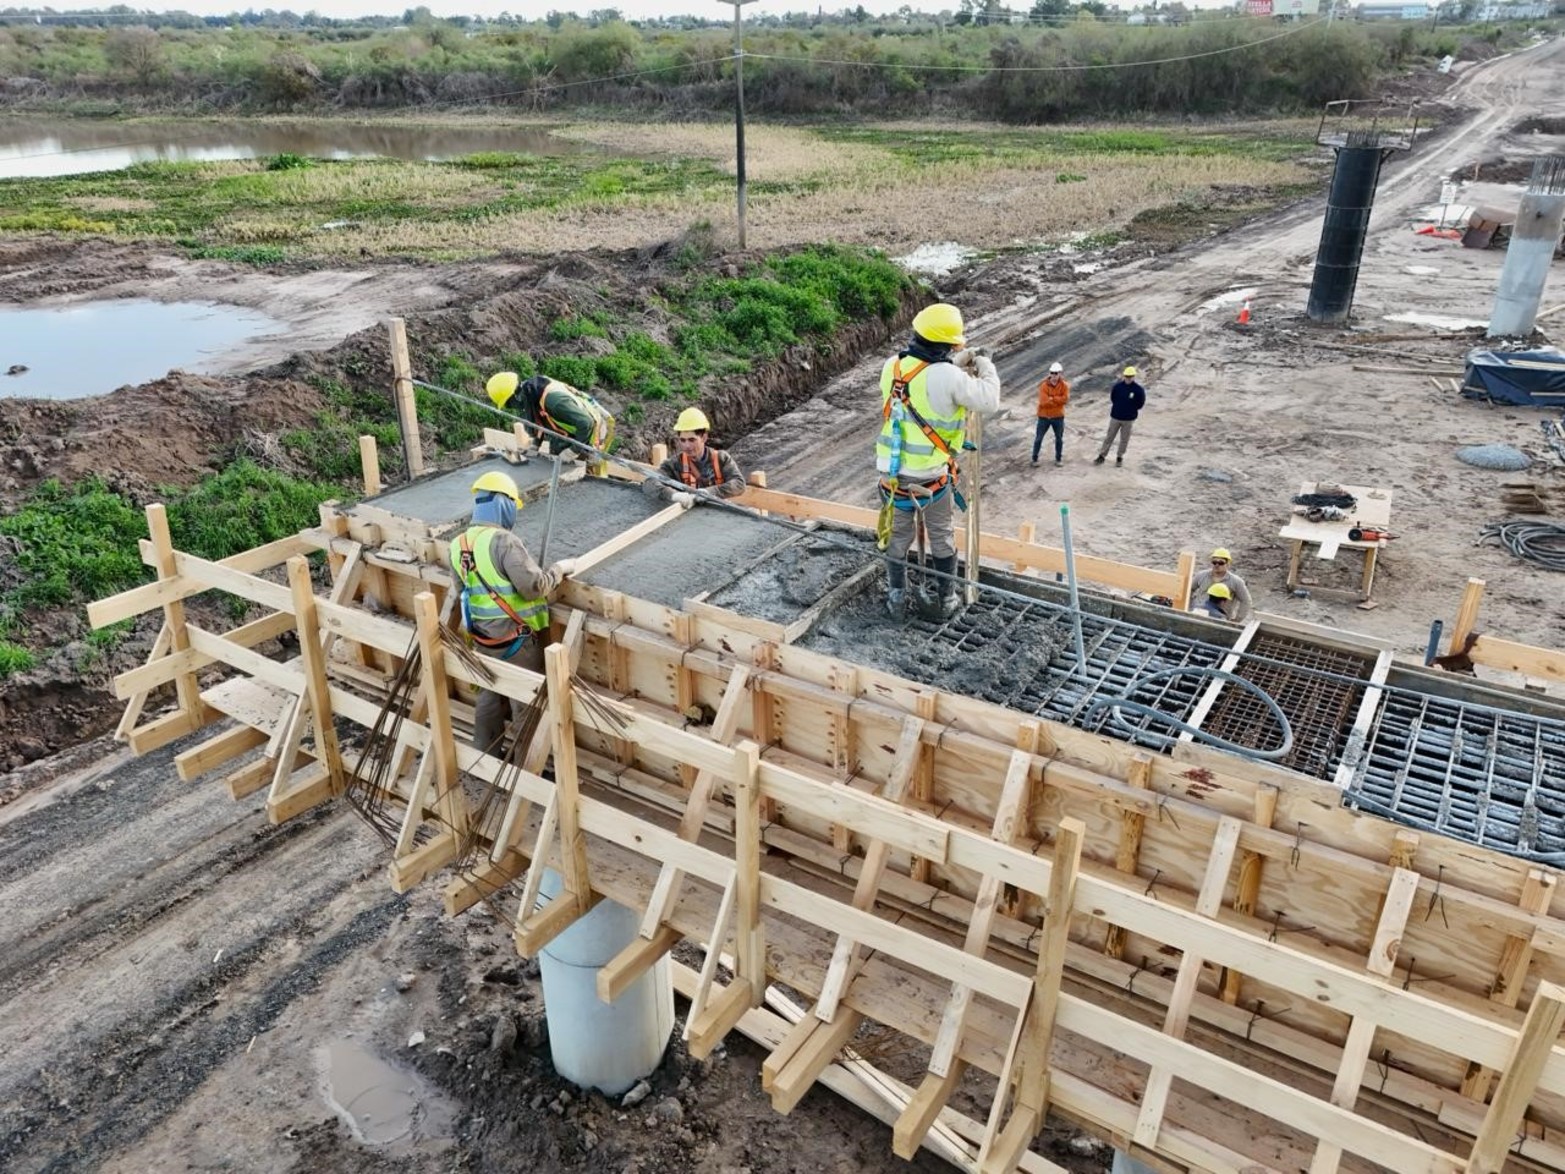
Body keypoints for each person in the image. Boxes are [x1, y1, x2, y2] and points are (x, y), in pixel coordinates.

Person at [876, 302, 1001, 619]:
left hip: (892, 478)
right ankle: (946, 599)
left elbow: (922, 377)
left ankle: (896, 598)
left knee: (897, 539)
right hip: (929, 478)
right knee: (941, 537)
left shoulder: (892, 366)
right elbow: (988, 400)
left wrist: (955, 361)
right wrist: (984, 363)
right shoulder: (949, 376)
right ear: (949, 343)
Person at [449, 470, 578, 756]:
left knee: (489, 695)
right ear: (503, 505)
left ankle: (485, 754)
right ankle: (525, 766)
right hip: (516, 640)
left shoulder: (458, 544)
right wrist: (559, 569)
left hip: (483, 638)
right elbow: (534, 587)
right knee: (526, 702)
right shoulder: (503, 541)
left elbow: (462, 591)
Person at [487, 372, 615, 464]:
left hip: (594, 431)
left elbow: (586, 423)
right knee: (556, 451)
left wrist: (573, 451)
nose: (511, 408)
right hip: (573, 425)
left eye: (508, 404)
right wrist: (535, 445)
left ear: (515, 397)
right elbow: (539, 419)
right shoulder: (532, 392)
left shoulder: (554, 402)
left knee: (584, 469)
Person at [641, 406, 747, 504]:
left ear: (704, 438)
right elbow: (649, 483)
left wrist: (710, 492)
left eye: (692, 440)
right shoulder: (674, 464)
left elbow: (739, 484)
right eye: (683, 440)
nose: (687, 446)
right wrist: (673, 495)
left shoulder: (721, 459)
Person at [1094, 365, 1146, 467]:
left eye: (1130, 376)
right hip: (1116, 417)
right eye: (1127, 376)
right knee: (1109, 437)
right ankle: (1102, 456)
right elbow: (1113, 398)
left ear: (1134, 376)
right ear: (1124, 376)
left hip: (1129, 419)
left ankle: (1119, 457)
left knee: (1124, 439)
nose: (1128, 378)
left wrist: (1131, 410)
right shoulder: (1118, 387)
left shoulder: (1138, 390)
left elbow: (1140, 403)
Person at [1190, 547, 1252, 623]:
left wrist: (1237, 620)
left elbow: (1246, 601)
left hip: (1221, 620)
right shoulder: (1201, 575)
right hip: (1198, 616)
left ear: (1228, 564)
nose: (1217, 565)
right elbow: (1189, 590)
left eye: (1221, 563)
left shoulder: (1236, 582)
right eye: (1214, 562)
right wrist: (1189, 608)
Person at [1032, 361, 1069, 467]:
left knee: (1059, 439)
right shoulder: (1043, 386)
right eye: (1052, 373)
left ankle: (1058, 459)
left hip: (1058, 417)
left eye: (1056, 373)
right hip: (1044, 417)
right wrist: (1057, 400)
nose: (1053, 375)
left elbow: (1065, 399)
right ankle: (1034, 459)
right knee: (1038, 439)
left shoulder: (1064, 386)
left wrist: (1052, 398)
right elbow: (1043, 402)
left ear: (1060, 373)